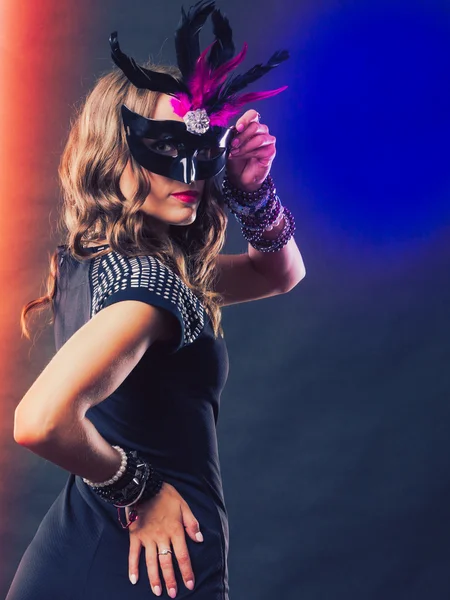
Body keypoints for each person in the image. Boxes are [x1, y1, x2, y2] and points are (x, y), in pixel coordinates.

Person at [7, 1, 306, 598]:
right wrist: (139, 491)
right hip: (142, 563)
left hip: (110, 556)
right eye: (163, 151)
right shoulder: (148, 293)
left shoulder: (112, 263)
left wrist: (253, 193)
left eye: (199, 154)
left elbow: (278, 274)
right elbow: (38, 421)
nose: (189, 175)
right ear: (114, 155)